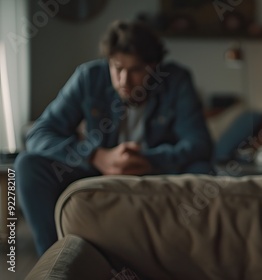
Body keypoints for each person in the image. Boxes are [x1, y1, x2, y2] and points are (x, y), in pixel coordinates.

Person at [15, 20, 213, 256]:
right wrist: (95, 156)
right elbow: (38, 134)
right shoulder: (89, 77)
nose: (124, 81)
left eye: (136, 70)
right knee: (27, 164)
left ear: (154, 66)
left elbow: (199, 144)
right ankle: (54, 261)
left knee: (203, 171)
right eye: (117, 68)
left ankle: (193, 259)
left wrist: (148, 160)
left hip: (157, 174)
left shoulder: (177, 80)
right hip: (97, 170)